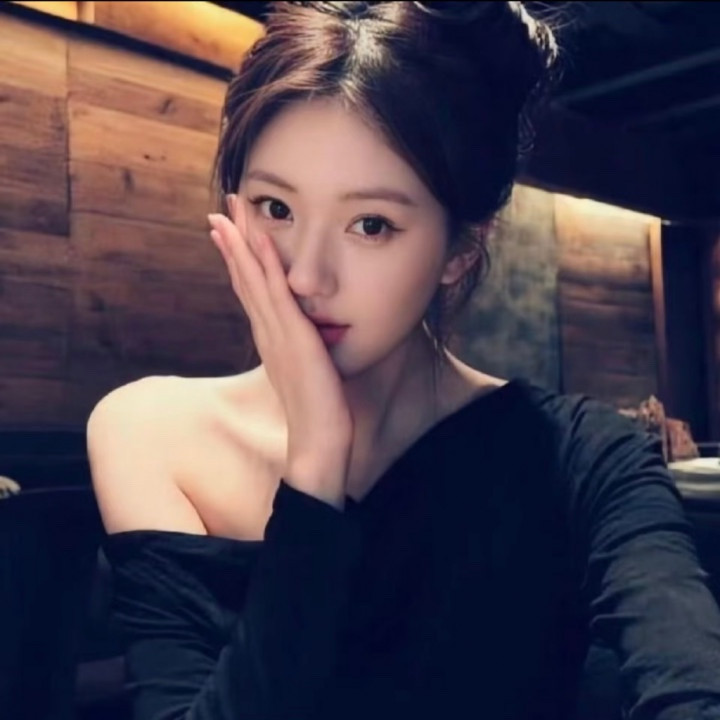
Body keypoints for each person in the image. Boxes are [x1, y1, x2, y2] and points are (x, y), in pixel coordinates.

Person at [86, 2, 720, 719]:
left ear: (460, 249)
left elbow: (689, 683)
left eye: (371, 224)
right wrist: (316, 464)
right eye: (276, 208)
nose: (305, 277)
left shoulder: (583, 457)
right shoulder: (149, 430)